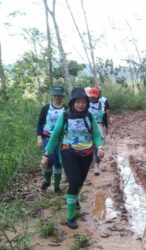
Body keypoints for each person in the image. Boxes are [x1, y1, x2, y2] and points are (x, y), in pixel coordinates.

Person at [41, 87, 104, 229]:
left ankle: (74, 199)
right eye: (78, 102)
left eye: (83, 102)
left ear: (86, 103)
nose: (80, 104)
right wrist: (46, 154)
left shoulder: (89, 116)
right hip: (68, 153)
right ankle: (70, 217)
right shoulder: (64, 116)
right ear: (72, 103)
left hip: (86, 154)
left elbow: (96, 135)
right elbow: (55, 136)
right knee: (74, 181)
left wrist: (100, 147)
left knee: (80, 181)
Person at [37, 85, 67, 193]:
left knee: (58, 162)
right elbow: (40, 123)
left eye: (59, 95)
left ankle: (57, 187)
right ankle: (47, 181)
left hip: (61, 139)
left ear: (62, 96)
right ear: (52, 96)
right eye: (55, 95)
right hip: (47, 137)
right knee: (48, 160)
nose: (57, 97)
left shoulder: (66, 109)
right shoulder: (46, 108)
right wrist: (39, 137)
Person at [87, 87, 108, 175]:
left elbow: (104, 117)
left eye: (94, 96)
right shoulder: (86, 105)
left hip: (98, 126)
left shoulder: (101, 105)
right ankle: (91, 162)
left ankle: (97, 166)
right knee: (89, 146)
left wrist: (106, 127)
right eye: (91, 96)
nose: (92, 98)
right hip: (87, 126)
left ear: (98, 96)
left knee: (98, 146)